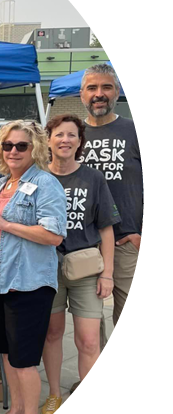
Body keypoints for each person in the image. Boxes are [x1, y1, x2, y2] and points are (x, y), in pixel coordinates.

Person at [0, 120, 67, 414]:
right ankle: (17, 410)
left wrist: (7, 224)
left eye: (21, 145)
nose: (14, 151)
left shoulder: (45, 184)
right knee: (5, 351)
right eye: (8, 145)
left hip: (29, 284)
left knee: (24, 359)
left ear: (35, 148)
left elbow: (53, 234)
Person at [40, 115, 121, 414]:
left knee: (88, 339)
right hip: (47, 269)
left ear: (79, 142)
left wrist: (108, 273)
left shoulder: (93, 178)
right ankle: (54, 395)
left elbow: (106, 229)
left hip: (86, 269)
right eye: (59, 134)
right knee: (52, 333)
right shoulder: (38, 178)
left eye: (72, 135)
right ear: (48, 140)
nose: (65, 140)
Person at [79, 63, 142, 331]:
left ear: (117, 92)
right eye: (92, 88)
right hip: (83, 244)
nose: (99, 94)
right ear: (82, 94)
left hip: (126, 242)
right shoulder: (70, 134)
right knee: (89, 327)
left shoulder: (136, 130)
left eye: (106, 87)